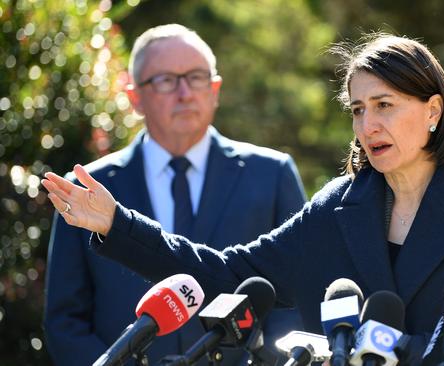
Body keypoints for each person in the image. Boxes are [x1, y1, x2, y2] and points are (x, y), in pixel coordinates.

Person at [43, 33, 444, 365]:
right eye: (358, 109)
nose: (368, 124)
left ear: (433, 111)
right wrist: (118, 224)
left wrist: (409, 353)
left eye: (385, 105)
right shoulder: (338, 208)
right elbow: (226, 275)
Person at [43, 24, 306, 366]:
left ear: (215, 89)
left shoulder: (272, 174)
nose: (184, 92)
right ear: (135, 97)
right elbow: (65, 321)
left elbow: (298, 294)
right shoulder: (87, 188)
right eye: (166, 80)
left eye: (196, 77)